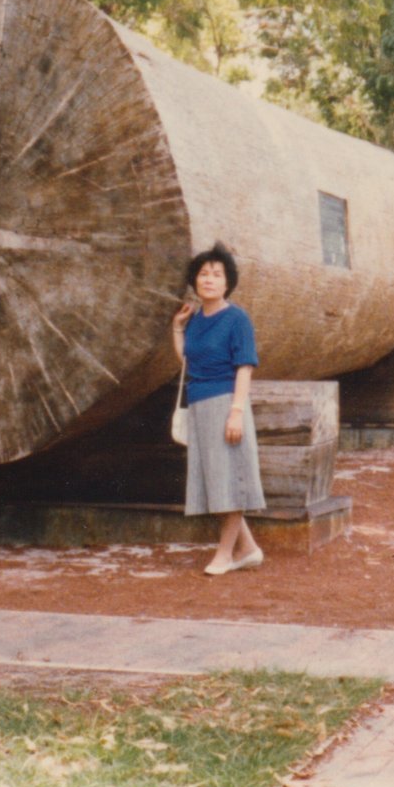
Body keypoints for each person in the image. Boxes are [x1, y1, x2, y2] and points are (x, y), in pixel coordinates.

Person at [171, 244, 266, 576]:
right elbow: (188, 360)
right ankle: (250, 549)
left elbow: (245, 367)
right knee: (216, 481)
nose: (208, 280)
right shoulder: (195, 319)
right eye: (203, 274)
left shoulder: (237, 318)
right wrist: (177, 329)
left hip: (227, 404)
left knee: (232, 480)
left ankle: (225, 554)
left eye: (216, 275)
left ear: (227, 283)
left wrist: (236, 411)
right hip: (199, 405)